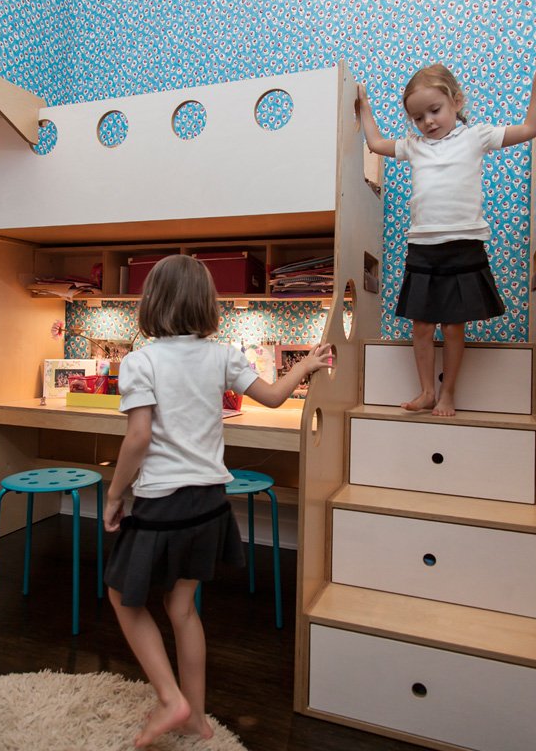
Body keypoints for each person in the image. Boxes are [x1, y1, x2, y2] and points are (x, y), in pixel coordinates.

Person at [102, 255, 333, 747]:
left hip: (161, 503)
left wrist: (114, 493)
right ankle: (196, 719)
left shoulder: (140, 361)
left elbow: (138, 438)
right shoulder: (222, 354)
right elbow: (272, 397)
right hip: (210, 501)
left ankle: (171, 699)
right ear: (206, 303)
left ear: (152, 304)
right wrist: (307, 366)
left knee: (123, 597)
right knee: (182, 607)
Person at [356, 52, 536, 416]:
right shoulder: (414, 146)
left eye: (435, 110)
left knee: (453, 327)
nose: (427, 122)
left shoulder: (476, 136)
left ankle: (448, 392)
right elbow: (377, 143)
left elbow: (531, 127)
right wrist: (363, 106)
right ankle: (427, 391)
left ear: (456, 102)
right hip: (423, 246)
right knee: (422, 326)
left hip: (464, 244)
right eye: (417, 117)